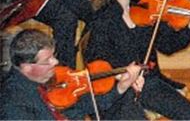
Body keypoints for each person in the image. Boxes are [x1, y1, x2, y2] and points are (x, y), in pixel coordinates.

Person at [84, 0, 190, 120]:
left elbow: (168, 46)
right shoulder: (103, 19)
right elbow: (96, 62)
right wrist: (123, 76)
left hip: (149, 82)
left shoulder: (146, 10)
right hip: (119, 88)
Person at [0, 29, 142, 120]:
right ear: (27, 67)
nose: (55, 62)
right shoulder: (13, 106)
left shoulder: (46, 79)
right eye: (46, 61)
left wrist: (121, 87)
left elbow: (82, 106)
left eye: (53, 56)